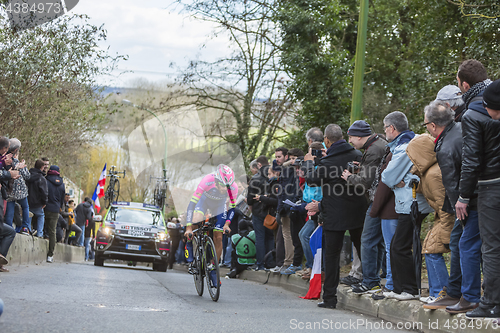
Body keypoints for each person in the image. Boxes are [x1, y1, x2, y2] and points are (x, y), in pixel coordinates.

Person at [422, 100, 482, 312]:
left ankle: (469, 296)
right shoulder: (460, 127)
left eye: (425, 125)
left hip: (470, 200)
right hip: (478, 195)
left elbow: (451, 182)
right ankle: (455, 291)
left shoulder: (444, 148)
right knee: (458, 242)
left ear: (433, 125)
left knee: (465, 245)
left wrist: (460, 206)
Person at [303, 124, 367, 309]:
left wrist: (309, 162)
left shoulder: (327, 162)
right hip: (358, 210)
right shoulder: (356, 155)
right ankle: (371, 281)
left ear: (327, 140)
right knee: (362, 248)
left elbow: (311, 179)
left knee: (331, 256)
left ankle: (330, 297)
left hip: (334, 213)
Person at [459, 75, 500, 319]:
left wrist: (463, 195)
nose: (486, 108)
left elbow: (471, 160)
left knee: (492, 247)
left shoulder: (472, 117)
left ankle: (490, 302)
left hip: (490, 187)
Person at [381, 111, 433, 301]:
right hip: (411, 202)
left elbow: (387, 177)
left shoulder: (404, 147)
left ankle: (409, 289)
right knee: (398, 245)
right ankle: (400, 288)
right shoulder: (413, 141)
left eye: (385, 128)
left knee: (399, 246)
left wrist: (398, 180)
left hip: (411, 203)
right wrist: (399, 180)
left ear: (392, 128)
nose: (385, 132)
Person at [406, 133, 455, 302]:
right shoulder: (429, 172)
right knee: (429, 249)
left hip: (446, 219)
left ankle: (440, 292)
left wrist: (446, 232)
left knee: (431, 250)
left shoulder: (434, 175)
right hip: (442, 218)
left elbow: (445, 206)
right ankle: (437, 292)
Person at [341, 120, 387, 294]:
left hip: (377, 199)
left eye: (351, 137)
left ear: (360, 136)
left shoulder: (373, 150)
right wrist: (363, 167)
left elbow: (365, 183)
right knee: (378, 242)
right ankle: (376, 278)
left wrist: (349, 178)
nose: (350, 141)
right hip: (384, 198)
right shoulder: (379, 144)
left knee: (367, 240)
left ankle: (370, 281)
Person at [184, 164, 238, 266]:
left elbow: (232, 208)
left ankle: (214, 267)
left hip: (219, 205)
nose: (225, 189)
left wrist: (227, 224)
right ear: (216, 182)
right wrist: (188, 227)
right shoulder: (206, 181)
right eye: (222, 185)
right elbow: (192, 204)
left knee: (218, 237)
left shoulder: (233, 187)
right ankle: (189, 242)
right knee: (197, 219)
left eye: (228, 186)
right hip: (204, 201)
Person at [275, 147, 300, 274]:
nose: (277, 159)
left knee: (289, 235)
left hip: (289, 206)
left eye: (279, 157)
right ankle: (287, 261)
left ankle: (289, 262)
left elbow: (287, 190)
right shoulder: (285, 169)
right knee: (286, 235)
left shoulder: (291, 170)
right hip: (285, 206)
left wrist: (283, 207)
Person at [247, 156, 273, 271]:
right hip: (271, 210)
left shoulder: (255, 178)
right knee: (270, 237)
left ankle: (260, 264)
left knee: (260, 238)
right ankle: (270, 262)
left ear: (258, 165)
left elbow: (249, 198)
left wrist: (252, 209)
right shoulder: (273, 174)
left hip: (258, 211)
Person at [4, 138, 31, 234]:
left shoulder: (4, 159)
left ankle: (8, 227)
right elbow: (27, 176)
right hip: (20, 190)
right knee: (25, 207)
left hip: (9, 190)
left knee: (9, 209)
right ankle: (25, 227)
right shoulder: (16, 162)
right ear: (16, 150)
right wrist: (23, 166)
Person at [45, 165, 66, 263]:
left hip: (45, 207)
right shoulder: (62, 184)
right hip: (55, 209)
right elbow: (62, 199)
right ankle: (50, 254)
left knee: (43, 226)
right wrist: (59, 207)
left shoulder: (46, 180)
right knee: (52, 231)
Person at [26, 159, 48, 237]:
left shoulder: (28, 175)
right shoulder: (41, 178)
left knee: (28, 215)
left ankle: (27, 230)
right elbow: (44, 192)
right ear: (42, 167)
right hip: (38, 202)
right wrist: (44, 202)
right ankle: (39, 233)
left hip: (28, 200)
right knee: (41, 216)